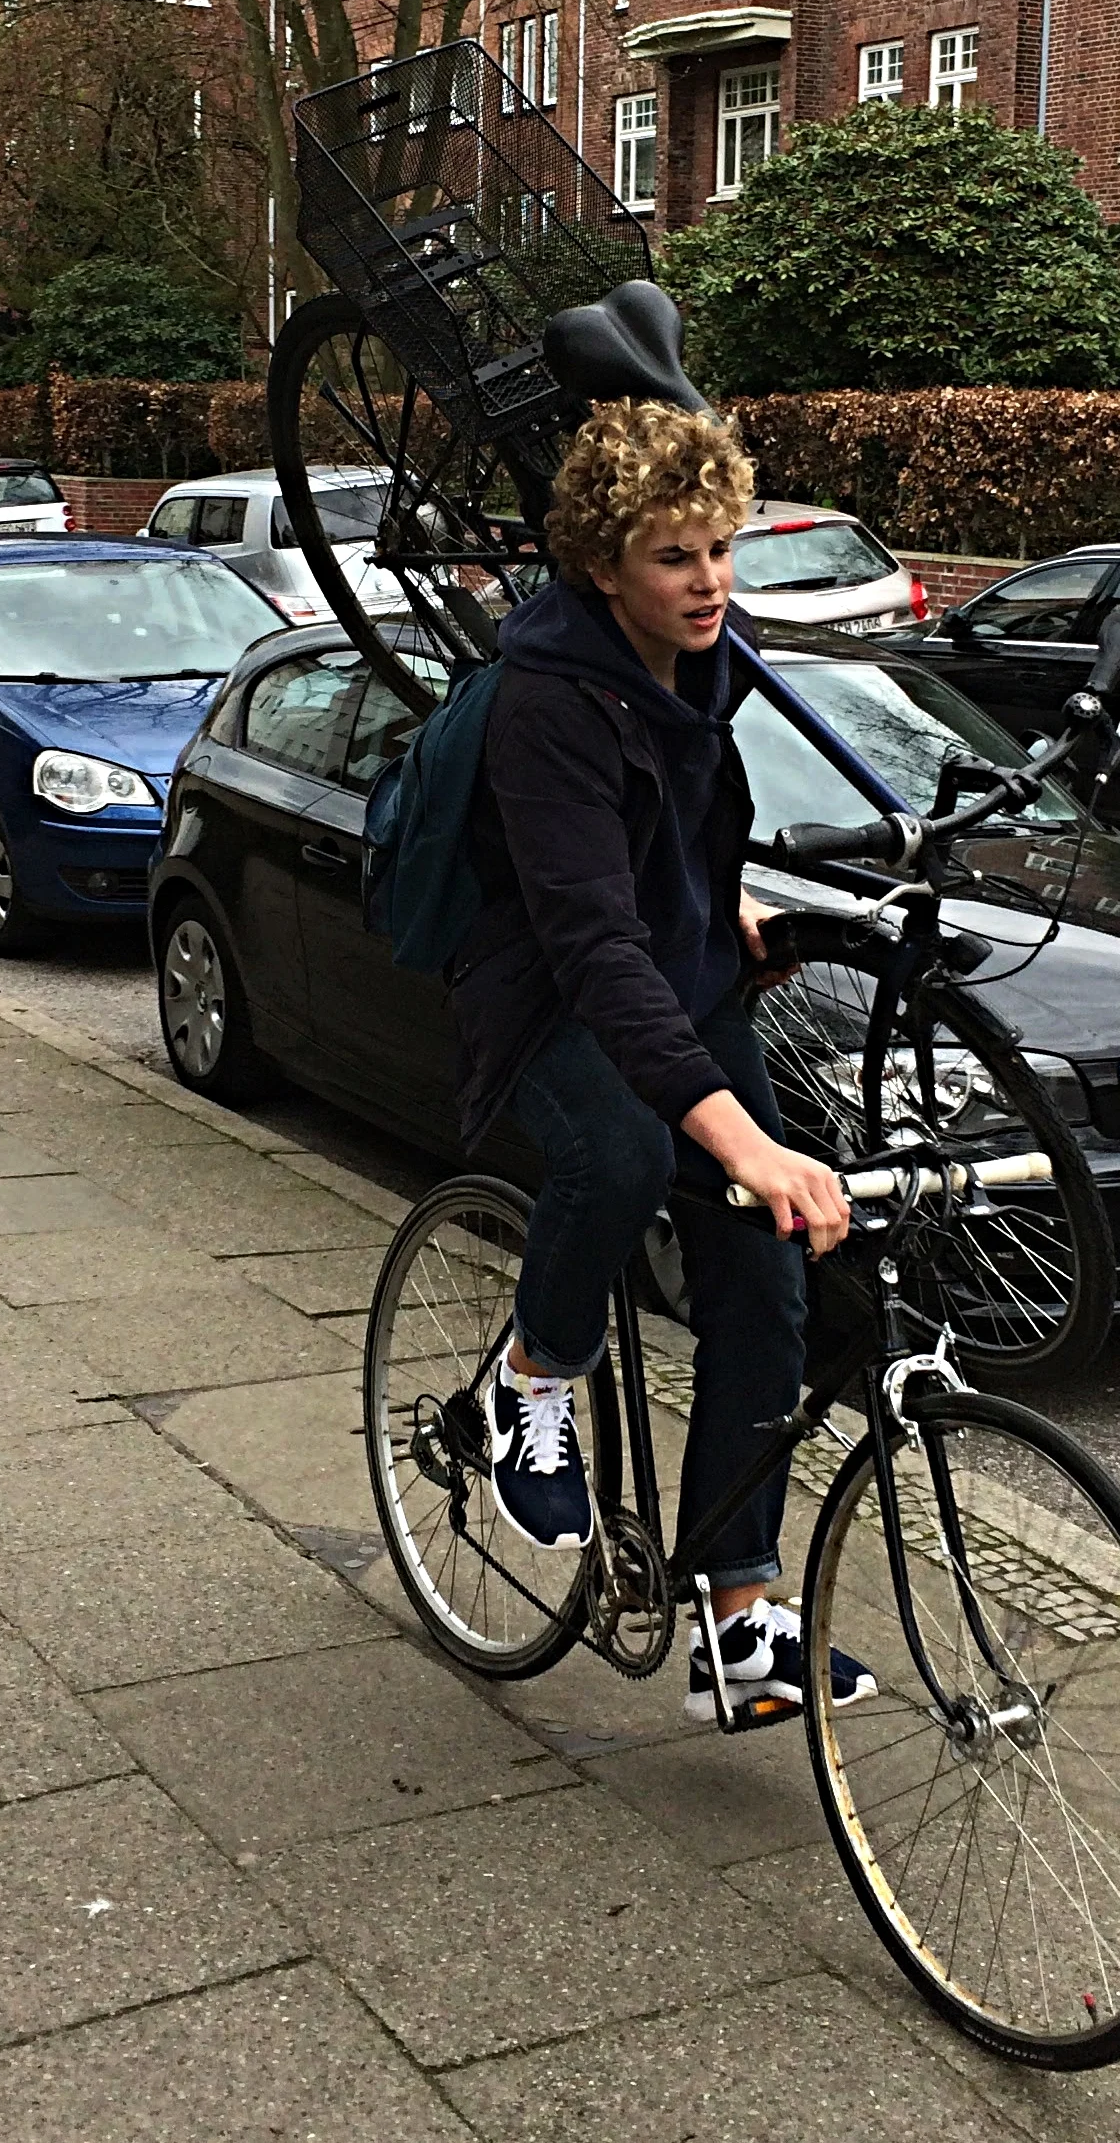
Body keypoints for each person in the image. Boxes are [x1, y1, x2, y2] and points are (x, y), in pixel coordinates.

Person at [450, 399, 877, 1723]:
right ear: (600, 564)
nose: (708, 581)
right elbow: (589, 943)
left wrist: (721, 903)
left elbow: (685, 821)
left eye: (720, 547)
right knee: (629, 1155)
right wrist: (741, 1139)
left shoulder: (711, 653)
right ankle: (531, 1373)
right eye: (674, 556)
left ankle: (737, 1617)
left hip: (673, 974)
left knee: (769, 1266)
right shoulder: (545, 699)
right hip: (552, 998)